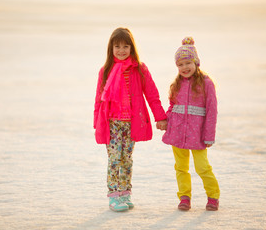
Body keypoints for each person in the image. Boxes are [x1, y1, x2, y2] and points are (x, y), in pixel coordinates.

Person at [94, 27, 167, 212]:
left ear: (132, 48)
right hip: (112, 123)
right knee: (114, 159)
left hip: (132, 123)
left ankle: (125, 193)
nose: (121, 50)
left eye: (125, 46)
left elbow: (152, 94)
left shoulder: (139, 69)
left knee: (127, 158)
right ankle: (113, 196)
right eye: (117, 46)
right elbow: (98, 99)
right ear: (111, 48)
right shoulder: (106, 70)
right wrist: (97, 123)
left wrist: (160, 117)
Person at [158, 36, 220, 211]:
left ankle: (213, 196)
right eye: (180, 65)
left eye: (188, 63)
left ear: (196, 62)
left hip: (198, 134)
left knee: (202, 167)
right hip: (177, 133)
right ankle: (184, 197)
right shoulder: (176, 84)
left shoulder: (206, 83)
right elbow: (173, 106)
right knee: (181, 167)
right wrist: (166, 121)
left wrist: (209, 136)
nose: (184, 68)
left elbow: (212, 111)